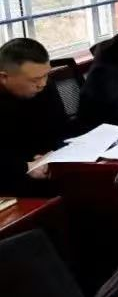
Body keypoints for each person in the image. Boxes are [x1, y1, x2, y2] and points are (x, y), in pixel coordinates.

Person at [0, 38, 71, 197]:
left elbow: (60, 127)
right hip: (11, 173)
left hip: (46, 163)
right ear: (4, 77)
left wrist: (51, 153)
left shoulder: (45, 87)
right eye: (35, 79)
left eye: (46, 75)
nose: (43, 83)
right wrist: (25, 166)